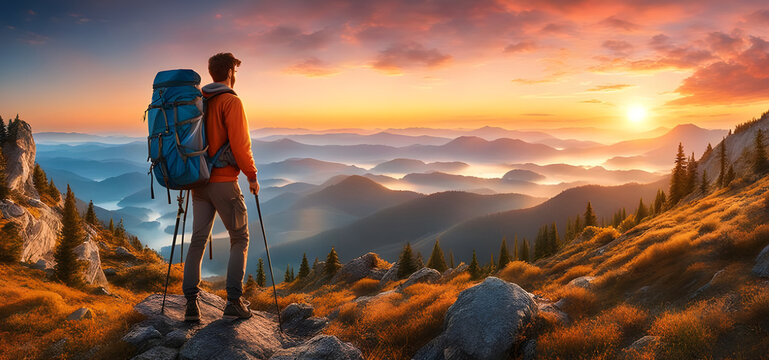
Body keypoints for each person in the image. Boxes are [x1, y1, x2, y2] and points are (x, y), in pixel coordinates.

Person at [183, 52, 259, 321]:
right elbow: (240, 146)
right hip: (224, 182)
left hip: (198, 182)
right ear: (229, 72)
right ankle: (233, 302)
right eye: (235, 72)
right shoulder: (230, 101)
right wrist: (252, 175)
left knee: (197, 241)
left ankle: (191, 305)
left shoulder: (196, 100)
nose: (235, 76)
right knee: (239, 238)